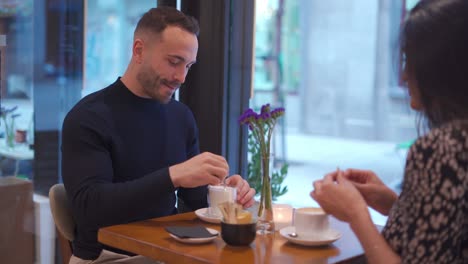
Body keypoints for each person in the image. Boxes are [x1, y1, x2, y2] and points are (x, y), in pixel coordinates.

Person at [61, 7, 255, 264]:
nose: (182, 77)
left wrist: (226, 193)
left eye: (188, 66)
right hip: (109, 256)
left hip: (167, 250)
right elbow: (90, 208)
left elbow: (196, 199)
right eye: (174, 62)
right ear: (139, 50)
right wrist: (173, 176)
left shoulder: (180, 117)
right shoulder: (88, 117)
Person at [310, 0, 468, 263]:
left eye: (410, 60)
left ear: (440, 68)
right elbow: (446, 234)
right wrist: (392, 203)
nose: (404, 76)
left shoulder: (441, 149)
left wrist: (356, 213)